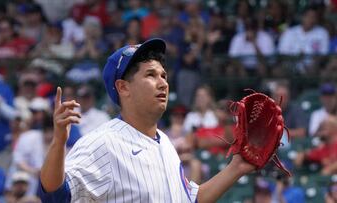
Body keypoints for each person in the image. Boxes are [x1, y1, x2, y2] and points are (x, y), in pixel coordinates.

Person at [38, 38, 255, 202]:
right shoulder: (104, 143)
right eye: (151, 75)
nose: (162, 83)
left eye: (164, 76)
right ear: (123, 87)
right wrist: (58, 142)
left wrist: (237, 167)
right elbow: (53, 195)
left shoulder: (165, 142)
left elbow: (189, 198)